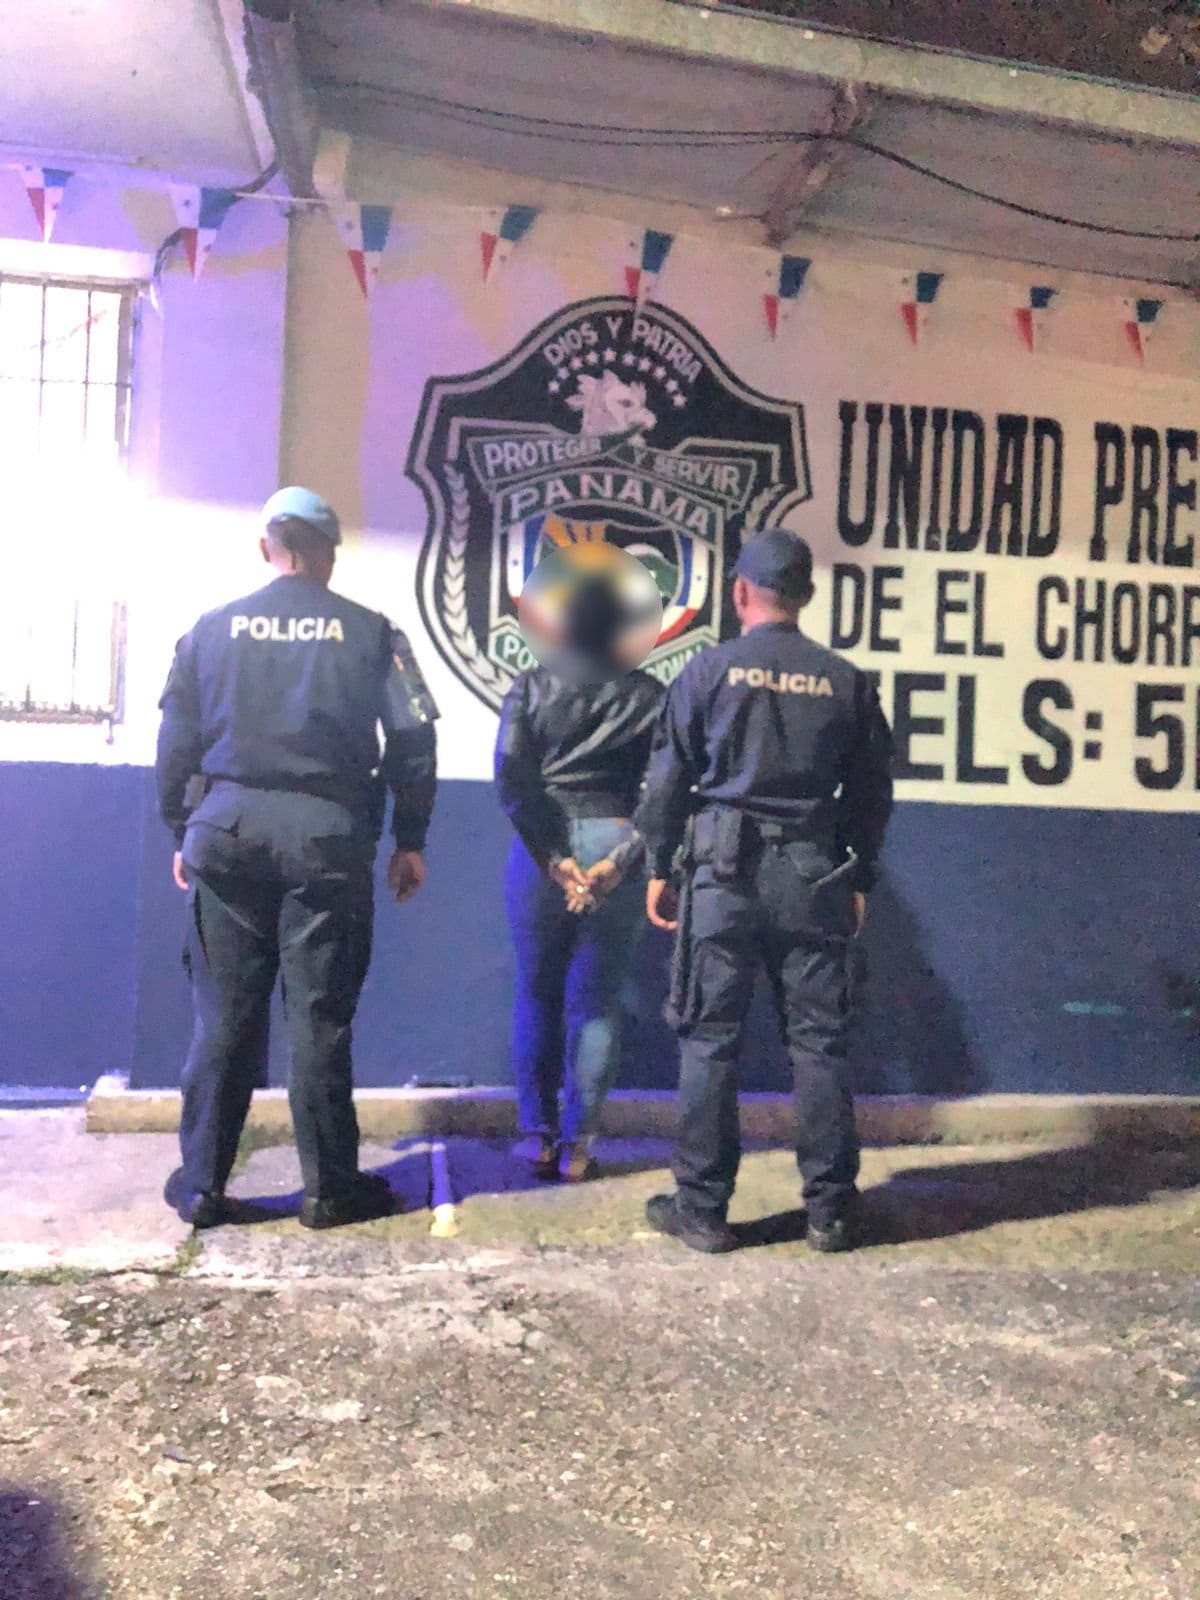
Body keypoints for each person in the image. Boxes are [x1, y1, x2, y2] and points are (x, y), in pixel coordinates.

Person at [156, 486, 438, 1230]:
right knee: (319, 1019)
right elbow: (414, 739)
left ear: (266, 549)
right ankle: (329, 1190)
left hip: (226, 833)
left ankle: (201, 1186)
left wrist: (182, 830)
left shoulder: (209, 630)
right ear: (330, 555)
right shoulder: (374, 633)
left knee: (223, 1017)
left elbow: (175, 744)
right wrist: (410, 838)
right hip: (327, 840)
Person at [635, 528, 893, 1254]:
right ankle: (831, 1212)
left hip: (721, 878)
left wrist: (660, 866)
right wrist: (860, 874)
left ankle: (703, 1210)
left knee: (710, 1040)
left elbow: (666, 783)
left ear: (740, 592)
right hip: (813, 877)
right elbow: (873, 790)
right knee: (819, 1043)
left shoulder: (705, 671)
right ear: (806, 595)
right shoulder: (845, 680)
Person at [495, 570, 665, 1182]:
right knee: (597, 1004)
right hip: (616, 836)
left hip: (542, 845)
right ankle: (579, 1149)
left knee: (535, 992)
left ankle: (537, 1138)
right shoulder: (650, 696)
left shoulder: (532, 685)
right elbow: (667, 790)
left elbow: (511, 777)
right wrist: (619, 861)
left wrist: (551, 856)